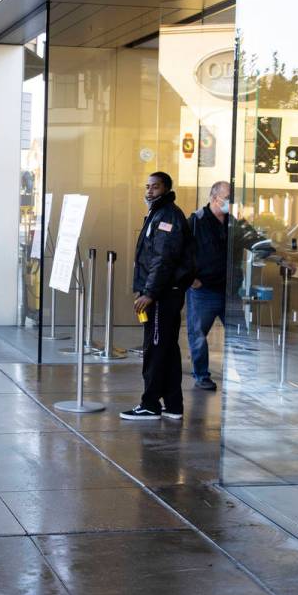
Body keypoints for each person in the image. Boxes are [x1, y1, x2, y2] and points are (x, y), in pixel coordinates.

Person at [186, 181, 296, 391]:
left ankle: (248, 376)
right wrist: (191, 279)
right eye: (225, 198)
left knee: (240, 336)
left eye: (231, 199)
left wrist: (281, 258)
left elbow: (257, 243)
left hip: (230, 291)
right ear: (213, 197)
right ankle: (201, 375)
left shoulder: (234, 224)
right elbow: (182, 253)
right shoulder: (195, 222)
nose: (228, 203)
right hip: (204, 291)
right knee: (198, 335)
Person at [121, 171, 196, 421]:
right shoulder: (157, 214)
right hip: (162, 292)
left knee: (155, 350)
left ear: (166, 188)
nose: (149, 191)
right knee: (166, 349)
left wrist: (150, 293)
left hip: (163, 295)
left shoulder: (167, 216)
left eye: (155, 187)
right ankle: (173, 405)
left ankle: (150, 404)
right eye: (147, 186)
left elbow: (162, 259)